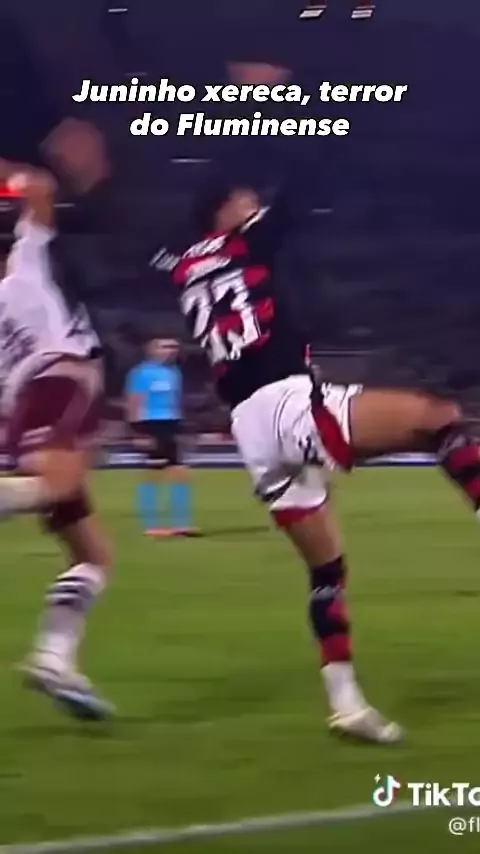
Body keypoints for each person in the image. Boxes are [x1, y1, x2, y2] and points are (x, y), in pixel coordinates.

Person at [161, 154, 480, 743]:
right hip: (284, 400)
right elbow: (301, 193)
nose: (254, 205)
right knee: (439, 417)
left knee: (326, 570)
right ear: (225, 209)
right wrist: (318, 126)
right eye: (246, 198)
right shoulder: (242, 243)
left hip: (249, 426)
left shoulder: (184, 267)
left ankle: (347, 705)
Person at [0, 158, 114, 721]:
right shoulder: (23, 269)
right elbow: (40, 188)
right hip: (60, 380)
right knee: (58, 485)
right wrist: (11, 171)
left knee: (92, 556)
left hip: (22, 411)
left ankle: (55, 658)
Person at [125, 338, 197, 536]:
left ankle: (181, 524)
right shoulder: (141, 373)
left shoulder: (175, 372)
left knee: (180, 474)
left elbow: (176, 401)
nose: (171, 350)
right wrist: (138, 432)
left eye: (174, 347)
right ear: (152, 350)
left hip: (171, 424)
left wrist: (183, 428)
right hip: (150, 424)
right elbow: (133, 402)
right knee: (153, 475)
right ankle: (151, 525)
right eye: (165, 347)